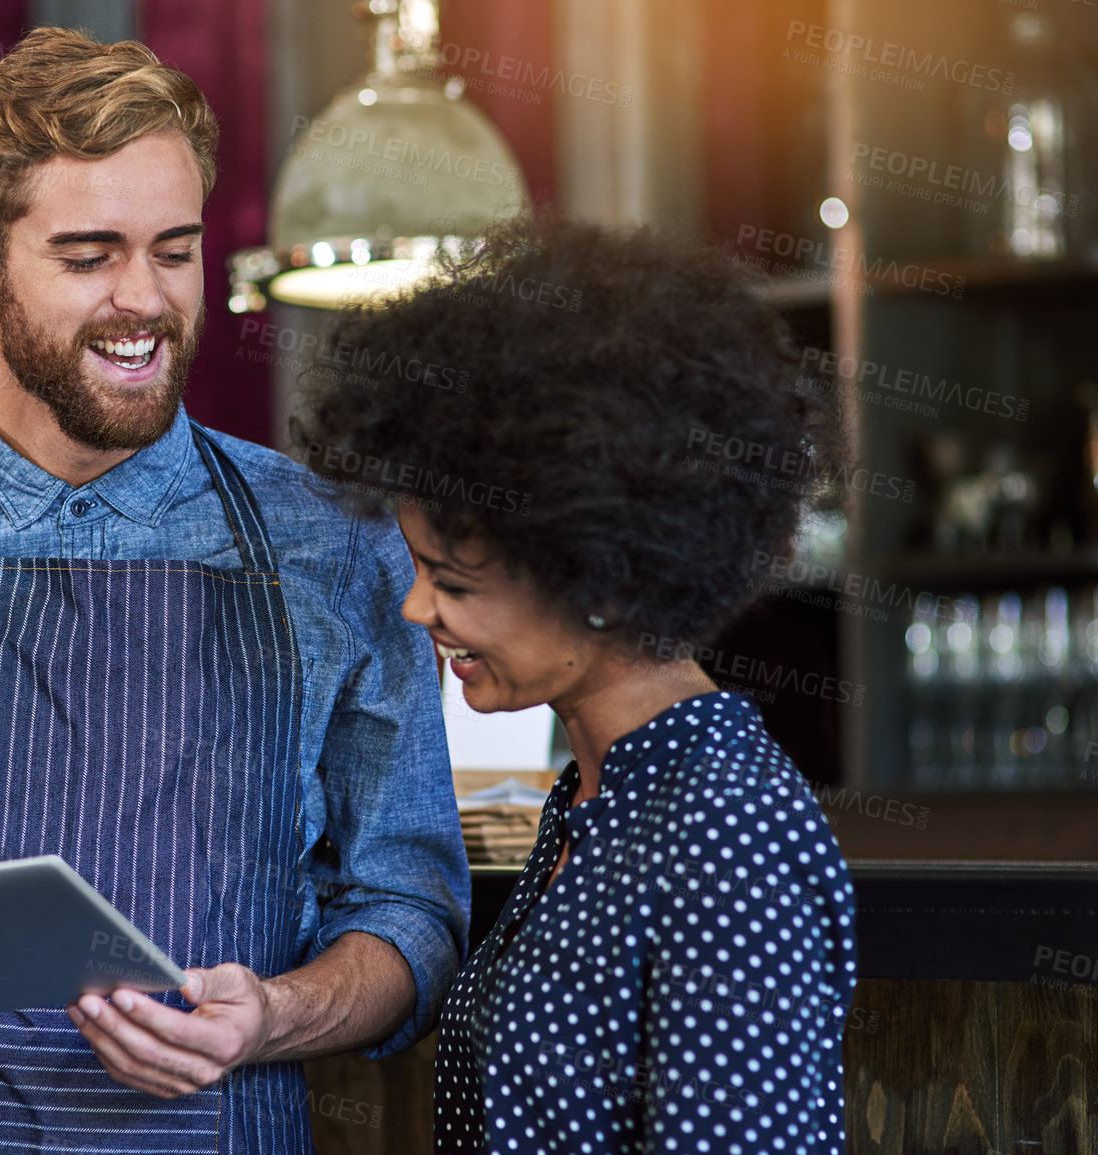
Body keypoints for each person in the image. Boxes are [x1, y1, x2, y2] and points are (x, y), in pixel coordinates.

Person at [0, 28, 468, 1154]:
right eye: (88, 258)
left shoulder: (336, 546)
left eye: (174, 251)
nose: (144, 302)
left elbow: (411, 918)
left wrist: (272, 1016)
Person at [297, 219, 859, 1154]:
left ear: (601, 576)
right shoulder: (597, 795)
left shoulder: (728, 832)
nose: (414, 606)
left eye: (455, 581)